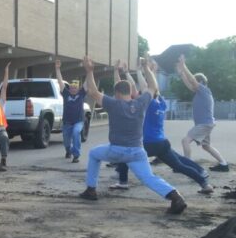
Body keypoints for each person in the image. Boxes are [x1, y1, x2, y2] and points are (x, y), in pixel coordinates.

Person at [78, 56, 186, 214]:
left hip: (116, 151)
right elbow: (153, 86)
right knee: (148, 177)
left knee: (94, 154)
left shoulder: (113, 104)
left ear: (116, 93)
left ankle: (91, 190)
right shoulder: (141, 103)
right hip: (137, 152)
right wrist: (146, 68)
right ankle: (176, 197)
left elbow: (93, 92)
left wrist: (89, 71)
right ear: (130, 92)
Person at [110, 58, 213, 194]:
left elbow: (137, 87)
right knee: (179, 165)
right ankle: (204, 183)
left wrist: (142, 70)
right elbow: (146, 86)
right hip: (162, 143)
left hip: (147, 143)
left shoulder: (148, 103)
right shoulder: (162, 103)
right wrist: (144, 70)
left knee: (124, 154)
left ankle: (123, 182)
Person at [177, 55, 229, 172]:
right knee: (206, 146)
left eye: (195, 81)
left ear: (200, 82)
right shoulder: (200, 92)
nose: (193, 84)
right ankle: (223, 164)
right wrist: (181, 73)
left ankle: (187, 165)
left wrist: (184, 66)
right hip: (206, 124)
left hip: (204, 124)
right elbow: (189, 83)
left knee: (185, 141)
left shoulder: (204, 90)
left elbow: (192, 81)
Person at [55, 59, 87, 163]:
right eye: (72, 88)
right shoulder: (66, 94)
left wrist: (89, 71)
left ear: (78, 89)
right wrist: (57, 68)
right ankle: (68, 150)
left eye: (75, 88)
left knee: (76, 132)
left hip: (78, 121)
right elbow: (60, 81)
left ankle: (76, 155)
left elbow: (87, 82)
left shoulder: (81, 94)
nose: (73, 89)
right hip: (67, 122)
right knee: (66, 141)